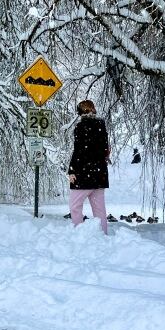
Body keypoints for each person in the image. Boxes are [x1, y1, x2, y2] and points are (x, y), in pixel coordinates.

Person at [68, 99, 110, 233]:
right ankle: (103, 234)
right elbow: (105, 150)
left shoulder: (80, 127)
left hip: (83, 174)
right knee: (99, 209)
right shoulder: (101, 125)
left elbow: (79, 151)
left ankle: (78, 232)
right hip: (99, 174)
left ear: (81, 112)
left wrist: (72, 170)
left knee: (75, 206)